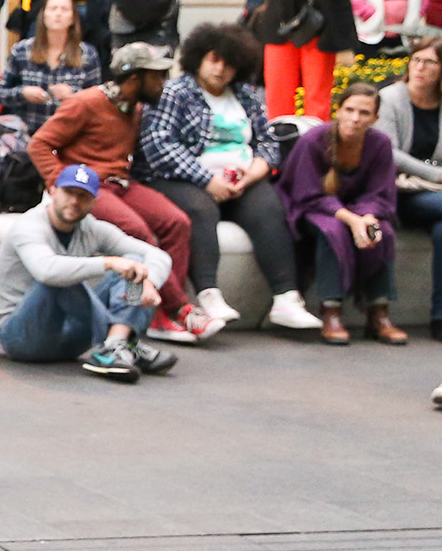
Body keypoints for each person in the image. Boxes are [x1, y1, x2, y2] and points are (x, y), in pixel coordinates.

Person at [28, 39, 216, 342]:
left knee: (176, 222)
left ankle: (163, 313)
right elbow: (39, 144)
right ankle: (170, 309)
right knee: (138, 233)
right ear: (132, 78)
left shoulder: (135, 107)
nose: (163, 84)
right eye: (157, 76)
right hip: (89, 187)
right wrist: (60, 186)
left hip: (122, 184)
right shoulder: (85, 103)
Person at [134, 22, 313, 332]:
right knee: (200, 209)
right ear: (199, 58)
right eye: (214, 59)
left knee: (269, 207)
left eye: (229, 63)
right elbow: (159, 145)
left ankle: (286, 297)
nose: (220, 69)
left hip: (240, 178)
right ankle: (208, 294)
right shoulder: (175, 92)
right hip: (181, 179)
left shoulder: (247, 95)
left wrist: (252, 175)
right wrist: (207, 180)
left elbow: (268, 143)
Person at [0, 163, 178, 381]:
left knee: (134, 263)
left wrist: (149, 281)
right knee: (58, 279)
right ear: (52, 191)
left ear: (95, 202)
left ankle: (115, 344)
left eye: (83, 196)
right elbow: (46, 271)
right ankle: (118, 343)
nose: (75, 201)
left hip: (72, 339)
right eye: (69, 193)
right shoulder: (29, 226)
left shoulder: (93, 228)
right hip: (21, 337)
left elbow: (157, 256)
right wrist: (107, 262)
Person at [286, 83, 407, 344]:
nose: (355, 118)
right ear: (338, 111)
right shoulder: (313, 141)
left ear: (375, 118)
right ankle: (331, 309)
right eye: (349, 110)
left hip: (360, 209)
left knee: (381, 232)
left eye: (364, 113)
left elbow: (379, 192)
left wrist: (366, 217)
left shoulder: (380, 144)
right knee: (333, 231)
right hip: (312, 207)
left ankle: (378, 311)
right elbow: (306, 193)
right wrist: (351, 219)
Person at [377, 37, 442, 335]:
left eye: (429, 62)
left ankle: (440, 317)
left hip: (431, 196)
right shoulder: (391, 98)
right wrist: (435, 175)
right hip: (398, 191)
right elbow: (389, 153)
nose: (420, 67)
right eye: (416, 59)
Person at [0, 0, 100, 134]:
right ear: (43, 15)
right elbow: (1, 95)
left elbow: (98, 102)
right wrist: (23, 93)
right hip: (28, 135)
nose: (58, 14)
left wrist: (74, 95)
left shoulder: (88, 54)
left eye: (64, 9)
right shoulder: (21, 51)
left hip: (70, 135)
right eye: (53, 9)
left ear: (72, 18)